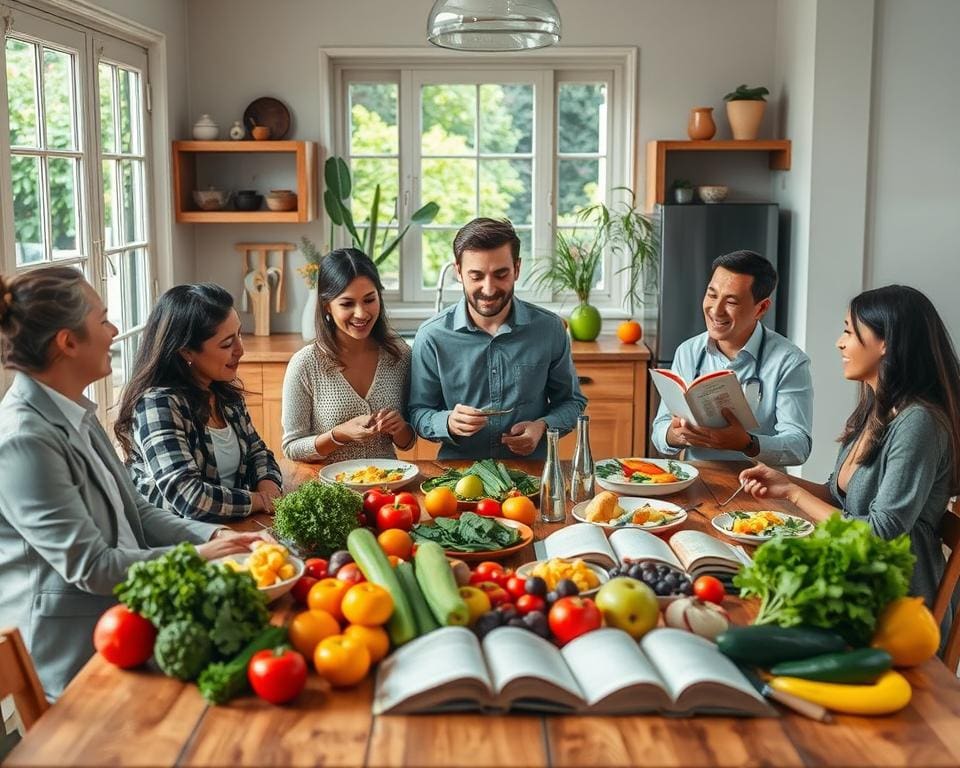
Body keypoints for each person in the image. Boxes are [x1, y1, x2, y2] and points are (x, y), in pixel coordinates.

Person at [0, 267, 264, 699]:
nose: (115, 329)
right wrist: (200, 555)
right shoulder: (25, 441)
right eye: (102, 319)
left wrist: (217, 535)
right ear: (67, 343)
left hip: (126, 628)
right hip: (75, 661)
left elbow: (135, 510)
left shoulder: (75, 413)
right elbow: (92, 566)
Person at [739, 285, 960, 609]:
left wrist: (793, 494)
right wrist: (781, 482)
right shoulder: (877, 409)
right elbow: (837, 494)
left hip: (895, 604)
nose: (840, 342)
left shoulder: (919, 423)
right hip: (854, 579)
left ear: (885, 343)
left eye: (849, 331)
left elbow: (881, 532)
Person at [409, 217, 587, 460]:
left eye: (501, 274)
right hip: (458, 479)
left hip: (532, 475)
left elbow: (571, 402)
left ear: (517, 268)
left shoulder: (550, 329)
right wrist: (447, 422)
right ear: (458, 272)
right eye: (476, 276)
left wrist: (542, 427)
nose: (489, 288)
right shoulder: (432, 336)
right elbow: (418, 412)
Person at [115, 283, 283, 520]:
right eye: (226, 344)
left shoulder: (224, 394)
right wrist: (258, 501)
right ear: (186, 352)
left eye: (239, 334)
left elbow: (258, 452)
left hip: (233, 526)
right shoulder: (157, 405)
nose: (240, 349)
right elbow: (189, 498)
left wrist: (268, 485)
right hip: (180, 540)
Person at [651, 250, 813, 466]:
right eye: (712, 294)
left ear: (761, 308)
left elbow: (799, 446)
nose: (716, 310)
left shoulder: (789, 361)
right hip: (697, 479)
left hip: (760, 487)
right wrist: (676, 434)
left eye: (732, 302)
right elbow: (660, 431)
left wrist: (747, 443)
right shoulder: (688, 351)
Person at [281, 248, 416, 461]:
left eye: (369, 300)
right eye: (347, 304)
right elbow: (292, 448)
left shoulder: (400, 356)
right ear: (327, 307)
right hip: (329, 490)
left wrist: (400, 428)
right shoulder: (305, 364)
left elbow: (408, 442)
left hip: (385, 489)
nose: (361, 313)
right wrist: (338, 435)